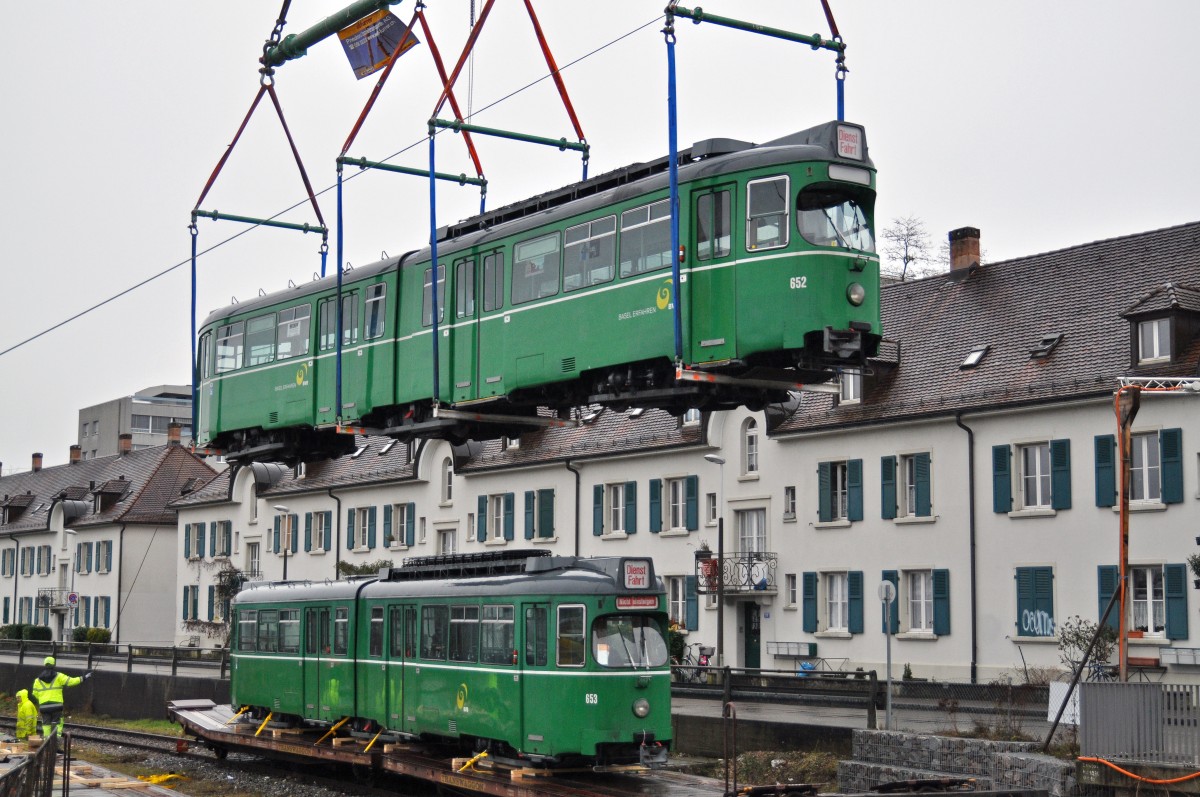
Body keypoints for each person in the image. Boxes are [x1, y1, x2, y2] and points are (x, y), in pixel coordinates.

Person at [31, 656, 92, 738]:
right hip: (56, 705)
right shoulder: (59, 676)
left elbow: (35, 693)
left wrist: (43, 699)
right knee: (57, 723)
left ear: (45, 664)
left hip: (44, 706)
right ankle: (56, 741)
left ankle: (46, 741)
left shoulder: (37, 680)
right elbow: (71, 681)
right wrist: (84, 678)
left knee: (46, 724)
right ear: (54, 664)